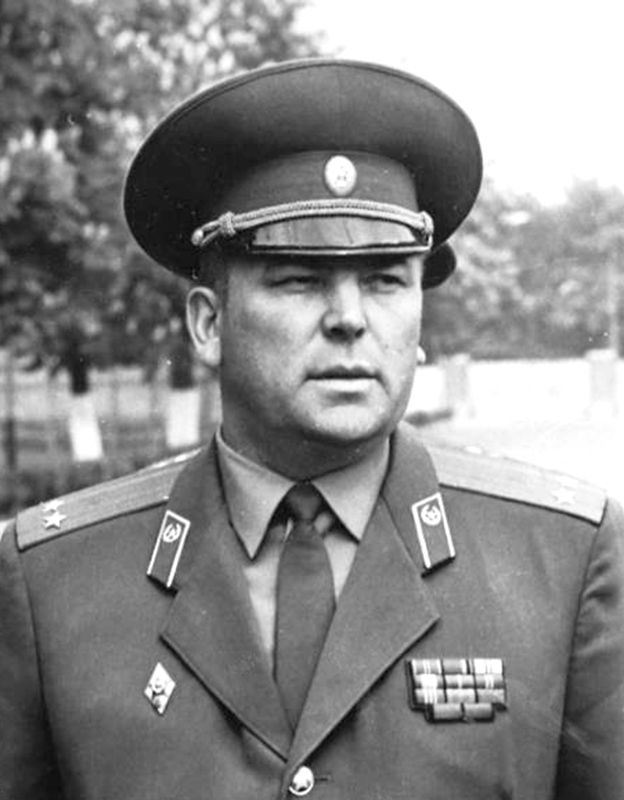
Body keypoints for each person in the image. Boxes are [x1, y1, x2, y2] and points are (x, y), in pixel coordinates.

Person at [0, 59, 622, 800]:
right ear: (208, 325)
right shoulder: (53, 580)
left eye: (386, 280)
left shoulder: (561, 559)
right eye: (300, 279)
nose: (350, 319)